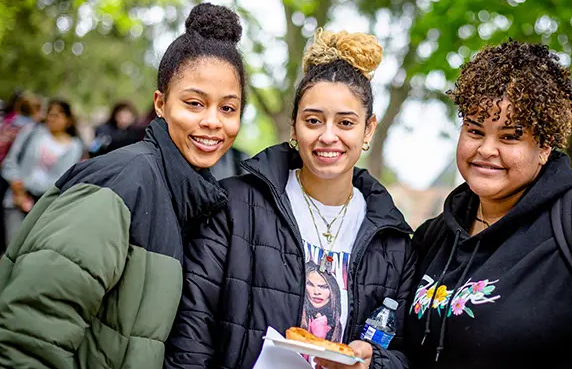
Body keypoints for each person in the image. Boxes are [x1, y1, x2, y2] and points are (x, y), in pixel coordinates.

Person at [0, 3, 246, 368]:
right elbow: (24, 344)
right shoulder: (118, 186)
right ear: (161, 104)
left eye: (228, 109)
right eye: (195, 103)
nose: (213, 121)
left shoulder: (187, 196)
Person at [401, 40, 572, 368]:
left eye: (509, 136)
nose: (486, 150)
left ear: (544, 147)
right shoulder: (435, 236)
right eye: (475, 131)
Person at [165, 28, 416, 369]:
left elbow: (406, 354)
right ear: (294, 127)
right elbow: (191, 331)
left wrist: (374, 363)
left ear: (368, 130)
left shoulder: (394, 241)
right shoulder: (235, 207)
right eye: (313, 120)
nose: (329, 136)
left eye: (345, 122)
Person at [0, 99, 84, 247]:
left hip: (44, 206)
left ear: (68, 120)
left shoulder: (75, 146)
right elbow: (10, 161)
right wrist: (17, 187)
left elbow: (63, 179)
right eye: (49, 114)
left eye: (57, 116)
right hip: (16, 197)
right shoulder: (32, 132)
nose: (51, 119)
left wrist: (34, 194)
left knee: (29, 252)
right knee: (11, 247)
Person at [0, 91, 42, 270]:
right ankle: (2, 260)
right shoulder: (29, 129)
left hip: (1, 176)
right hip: (13, 179)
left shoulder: (8, 123)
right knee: (7, 222)